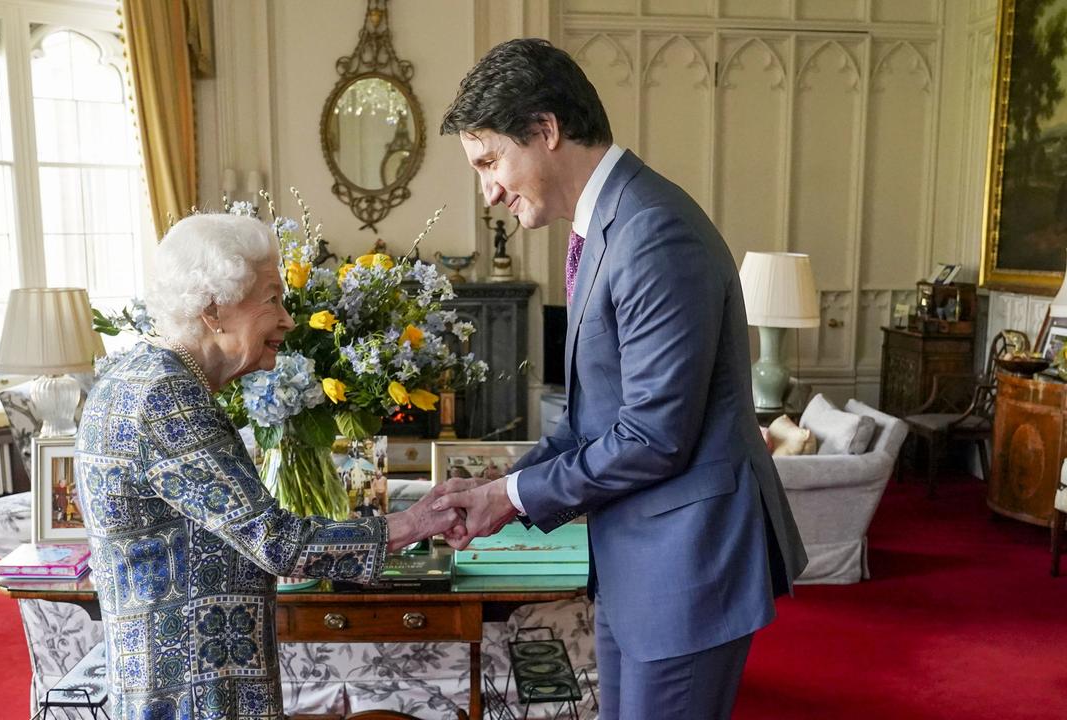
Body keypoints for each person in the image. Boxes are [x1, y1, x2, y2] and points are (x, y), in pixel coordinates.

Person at [433, 38, 808, 720]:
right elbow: (591, 423)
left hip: (687, 566)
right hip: (640, 562)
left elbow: (654, 437)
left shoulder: (654, 231)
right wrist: (496, 488)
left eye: (490, 161)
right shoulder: (608, 225)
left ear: (545, 131)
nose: (487, 190)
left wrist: (512, 498)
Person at [75, 213, 458, 720]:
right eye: (272, 298)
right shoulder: (166, 398)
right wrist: (411, 524)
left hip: (177, 678)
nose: (289, 319)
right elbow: (276, 542)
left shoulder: (142, 376)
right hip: (195, 689)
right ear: (214, 309)